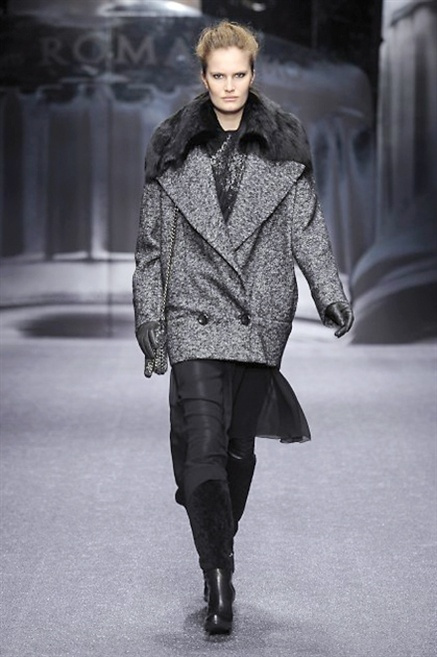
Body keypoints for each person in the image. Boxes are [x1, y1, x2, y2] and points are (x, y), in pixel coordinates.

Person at [133, 21, 353, 635]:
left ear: (253, 75)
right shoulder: (171, 144)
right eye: (218, 75)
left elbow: (306, 227)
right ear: (203, 77)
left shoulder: (285, 142)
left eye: (239, 74)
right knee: (203, 446)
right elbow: (151, 245)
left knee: (237, 451)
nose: (229, 85)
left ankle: (216, 544)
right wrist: (149, 313)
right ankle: (219, 576)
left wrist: (329, 292)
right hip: (193, 310)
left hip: (260, 313)